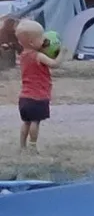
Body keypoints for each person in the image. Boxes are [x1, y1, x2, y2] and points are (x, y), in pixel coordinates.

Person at [15, 19, 64, 154]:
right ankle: (32, 145)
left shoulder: (23, 56)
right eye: (41, 38)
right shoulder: (38, 56)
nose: (45, 40)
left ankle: (22, 146)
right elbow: (54, 64)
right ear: (31, 42)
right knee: (35, 122)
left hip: (24, 97)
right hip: (37, 96)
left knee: (26, 122)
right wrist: (62, 53)